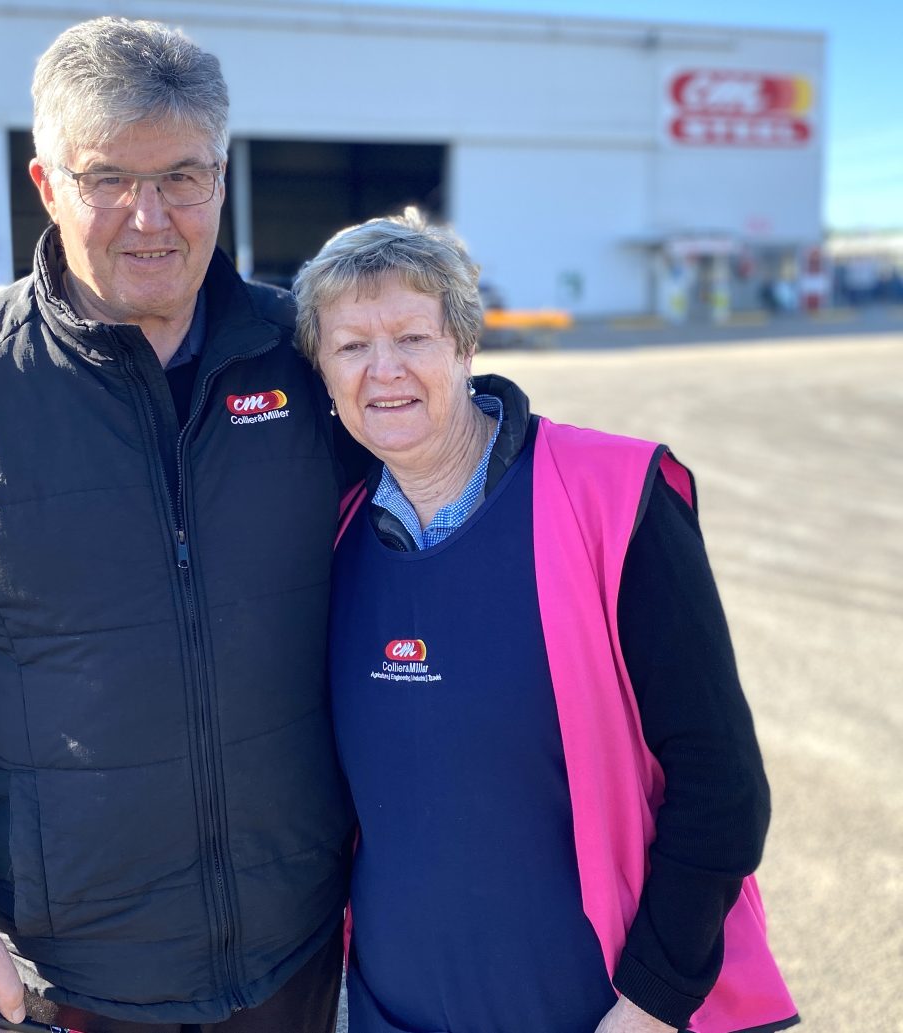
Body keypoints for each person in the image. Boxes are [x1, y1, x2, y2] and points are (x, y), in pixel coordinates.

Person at [0, 17, 359, 1033]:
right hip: (65, 974)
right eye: (108, 176)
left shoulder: (306, 357)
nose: (149, 216)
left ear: (222, 175)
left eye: (183, 177)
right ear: (47, 185)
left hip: (293, 949)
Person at [293, 209, 800, 1033]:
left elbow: (721, 783)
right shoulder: (335, 534)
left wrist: (651, 1004)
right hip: (394, 1009)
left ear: (464, 345)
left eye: (413, 338)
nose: (383, 370)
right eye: (351, 346)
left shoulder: (614, 494)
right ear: (322, 370)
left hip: (608, 1012)